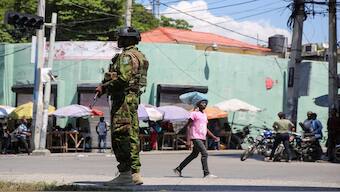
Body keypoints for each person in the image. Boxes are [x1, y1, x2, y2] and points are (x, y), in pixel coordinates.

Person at [95, 26, 149, 185]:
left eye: (120, 38)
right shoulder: (140, 56)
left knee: (121, 134)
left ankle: (125, 173)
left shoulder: (126, 56)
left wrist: (104, 87)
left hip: (123, 100)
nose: (118, 40)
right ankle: (134, 174)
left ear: (129, 39)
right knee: (131, 134)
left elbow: (123, 79)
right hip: (132, 99)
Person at [173, 98, 219, 178]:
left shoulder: (204, 115)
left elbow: (206, 128)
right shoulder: (194, 113)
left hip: (201, 138)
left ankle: (178, 169)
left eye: (205, 103)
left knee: (194, 155)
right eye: (203, 103)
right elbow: (188, 126)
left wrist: (214, 137)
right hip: (195, 137)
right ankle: (206, 173)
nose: (204, 104)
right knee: (205, 153)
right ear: (198, 104)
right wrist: (188, 140)